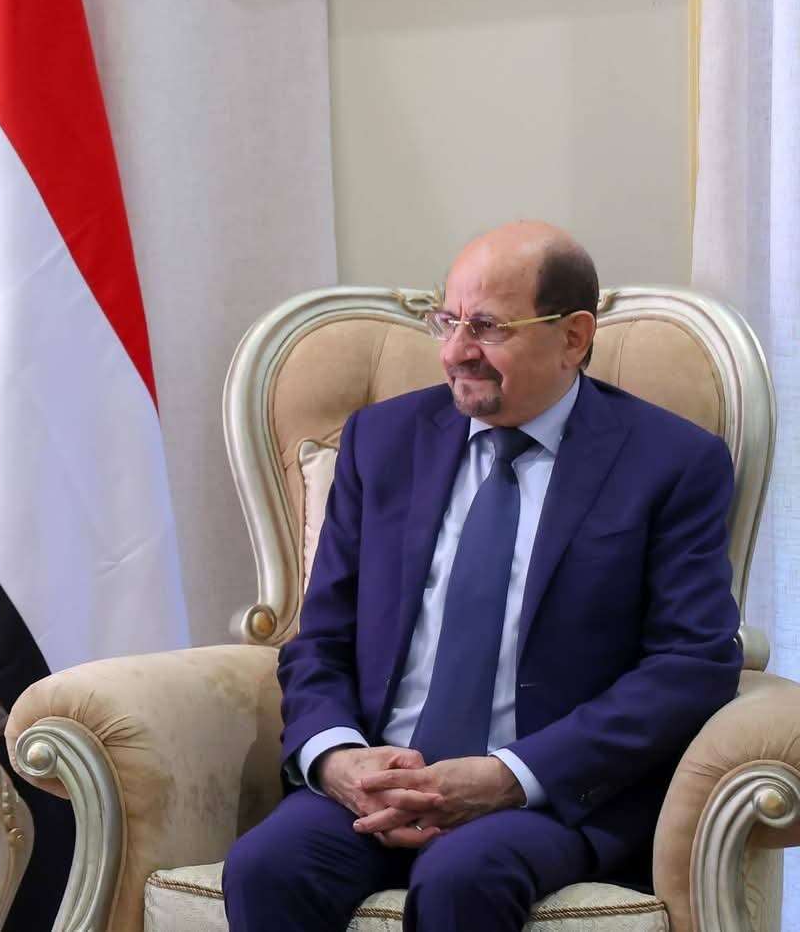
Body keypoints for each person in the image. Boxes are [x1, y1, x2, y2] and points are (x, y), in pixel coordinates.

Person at [223, 221, 741, 931]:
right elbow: (322, 638)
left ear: (574, 337)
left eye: (488, 328)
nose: (455, 351)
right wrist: (338, 758)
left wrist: (508, 776)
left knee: (463, 876)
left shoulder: (671, 462)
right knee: (266, 865)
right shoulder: (382, 441)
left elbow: (691, 664)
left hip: (544, 796)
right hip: (378, 779)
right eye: (448, 321)